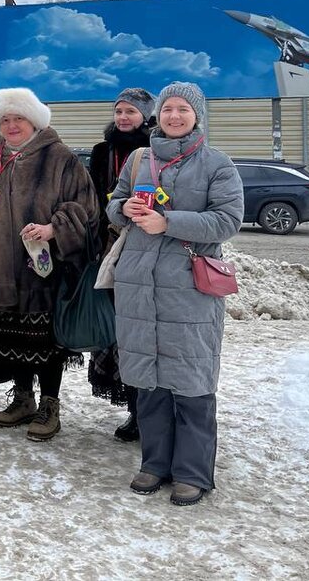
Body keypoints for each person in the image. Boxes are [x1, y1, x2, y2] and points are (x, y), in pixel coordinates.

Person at [108, 82, 242, 507]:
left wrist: (169, 223)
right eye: (168, 109)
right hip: (138, 284)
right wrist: (123, 209)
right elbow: (114, 204)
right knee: (148, 380)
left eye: (183, 109)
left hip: (188, 286)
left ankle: (192, 472)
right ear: (158, 115)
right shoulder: (137, 159)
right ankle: (154, 463)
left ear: (197, 115)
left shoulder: (217, 164)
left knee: (191, 381)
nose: (174, 116)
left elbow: (226, 221)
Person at [0, 87, 98, 442]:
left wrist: (54, 228)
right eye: (4, 119)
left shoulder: (60, 157)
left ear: (33, 120)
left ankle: (50, 405)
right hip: (0, 267)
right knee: (12, 338)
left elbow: (86, 206)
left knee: (44, 341)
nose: (10, 125)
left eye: (17, 118)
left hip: (42, 269)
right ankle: (23, 398)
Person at [86, 88, 156, 443]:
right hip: (109, 246)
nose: (124, 118)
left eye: (131, 111)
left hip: (148, 245)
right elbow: (93, 199)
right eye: (119, 112)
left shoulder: (157, 150)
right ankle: (134, 409)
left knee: (145, 333)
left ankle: (151, 411)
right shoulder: (102, 152)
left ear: (146, 115)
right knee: (118, 333)